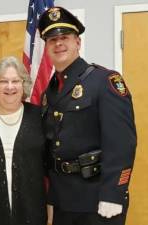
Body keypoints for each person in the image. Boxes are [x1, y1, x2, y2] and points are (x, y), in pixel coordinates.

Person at [38, 6, 137, 225]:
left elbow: (122, 143)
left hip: (98, 199)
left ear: (78, 43)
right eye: (52, 40)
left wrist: (113, 194)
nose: (59, 44)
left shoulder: (104, 81)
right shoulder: (50, 91)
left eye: (65, 37)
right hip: (63, 200)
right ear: (46, 47)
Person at [0, 56, 48, 225]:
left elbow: (49, 165)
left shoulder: (39, 116)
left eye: (15, 81)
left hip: (32, 211)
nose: (10, 87)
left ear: (24, 84)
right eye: (4, 81)